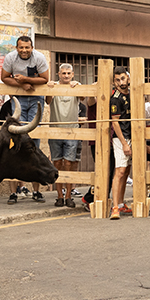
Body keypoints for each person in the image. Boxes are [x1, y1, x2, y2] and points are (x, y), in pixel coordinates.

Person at [0, 35, 50, 204]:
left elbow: (45, 78)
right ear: (16, 48)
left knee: (34, 141)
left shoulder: (39, 57)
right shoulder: (10, 58)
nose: (24, 50)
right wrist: (20, 85)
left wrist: (26, 79)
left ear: (32, 47)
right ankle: (14, 192)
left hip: (36, 99)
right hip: (18, 99)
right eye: (21, 47)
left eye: (27, 47)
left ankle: (36, 191)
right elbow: (4, 77)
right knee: (16, 141)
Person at [46, 62, 82, 208]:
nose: (66, 76)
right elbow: (48, 101)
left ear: (72, 74)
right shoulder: (53, 86)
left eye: (68, 73)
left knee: (69, 164)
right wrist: (50, 88)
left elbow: (84, 98)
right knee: (57, 164)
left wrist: (77, 85)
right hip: (55, 130)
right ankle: (59, 196)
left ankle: (68, 196)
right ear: (59, 74)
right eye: (63, 73)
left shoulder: (77, 86)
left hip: (72, 131)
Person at [108, 67, 133, 220]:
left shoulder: (133, 93)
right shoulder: (115, 98)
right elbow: (115, 122)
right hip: (121, 137)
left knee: (127, 170)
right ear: (114, 81)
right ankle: (115, 207)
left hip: (134, 135)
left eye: (123, 78)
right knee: (120, 171)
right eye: (117, 80)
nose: (121, 82)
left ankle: (122, 203)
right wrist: (124, 143)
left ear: (128, 78)